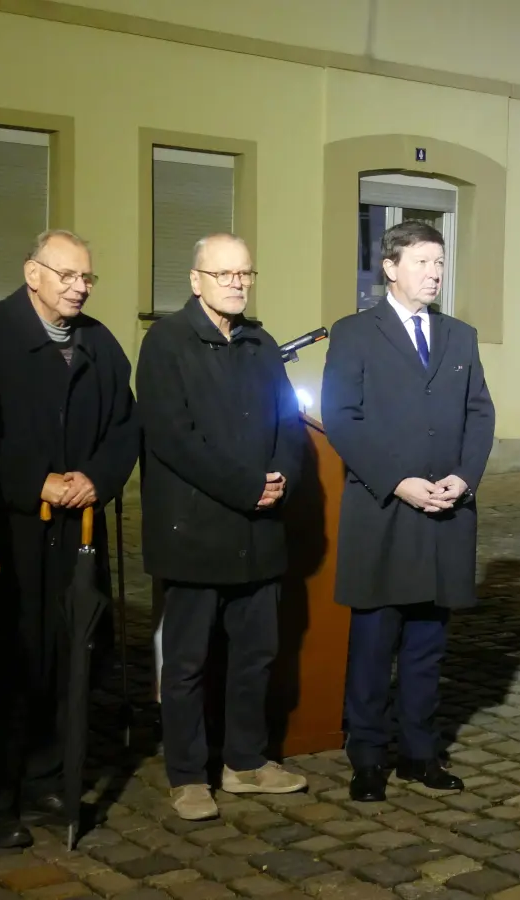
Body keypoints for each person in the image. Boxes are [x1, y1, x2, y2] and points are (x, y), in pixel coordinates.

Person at [0, 230, 139, 848]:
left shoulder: (99, 342)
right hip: (10, 530)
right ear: (31, 272)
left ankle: (46, 777)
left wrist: (97, 478)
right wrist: (34, 480)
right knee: (7, 664)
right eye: (67, 275)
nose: (79, 287)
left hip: (78, 528)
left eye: (86, 277)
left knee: (69, 655)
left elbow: (125, 426)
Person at [321, 220, 495, 803]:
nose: (434, 273)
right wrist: (397, 481)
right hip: (384, 510)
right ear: (390, 267)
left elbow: (480, 413)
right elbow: (341, 416)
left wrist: (463, 477)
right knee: (374, 641)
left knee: (427, 643)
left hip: (445, 510)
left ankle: (421, 753)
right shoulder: (354, 333)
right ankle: (368, 756)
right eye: (422, 261)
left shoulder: (460, 337)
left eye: (439, 262)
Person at [137, 233, 309, 821]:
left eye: (244, 274)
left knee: (255, 654)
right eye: (224, 274)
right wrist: (246, 486)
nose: (237, 283)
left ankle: (245, 762)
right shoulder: (165, 342)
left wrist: (283, 475)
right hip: (195, 530)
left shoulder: (261, 343)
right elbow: (172, 437)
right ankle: (188, 775)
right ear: (196, 280)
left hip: (259, 532)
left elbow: (289, 421)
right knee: (187, 663)